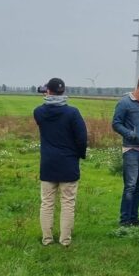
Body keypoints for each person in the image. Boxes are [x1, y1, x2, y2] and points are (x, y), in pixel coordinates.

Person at [32, 77, 88, 247]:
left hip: (48, 162)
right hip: (68, 163)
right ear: (63, 91)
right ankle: (65, 240)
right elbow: (82, 138)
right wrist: (79, 155)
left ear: (48, 91)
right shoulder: (72, 113)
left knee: (47, 203)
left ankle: (47, 239)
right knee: (68, 203)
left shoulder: (39, 112)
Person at [112, 76, 139, 228]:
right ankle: (125, 220)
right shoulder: (125, 103)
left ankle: (134, 218)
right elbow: (116, 123)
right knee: (130, 185)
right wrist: (130, 134)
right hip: (131, 149)